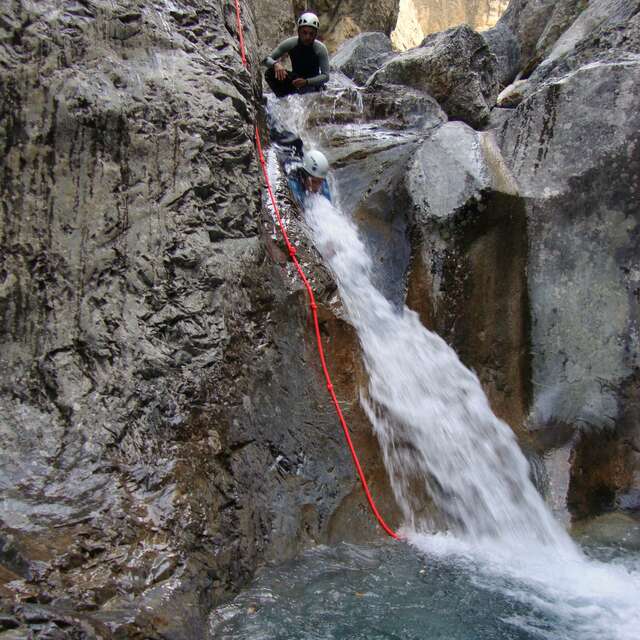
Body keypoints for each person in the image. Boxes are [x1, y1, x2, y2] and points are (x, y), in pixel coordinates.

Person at [263, 12, 330, 97]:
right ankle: (282, 98)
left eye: (311, 34)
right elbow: (266, 60)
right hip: (295, 80)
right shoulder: (291, 43)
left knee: (309, 90)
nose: (307, 37)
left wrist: (306, 81)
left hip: (313, 84)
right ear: (299, 31)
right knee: (270, 73)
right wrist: (275, 64)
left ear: (316, 34)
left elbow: (326, 76)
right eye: (304, 33)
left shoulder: (320, 49)